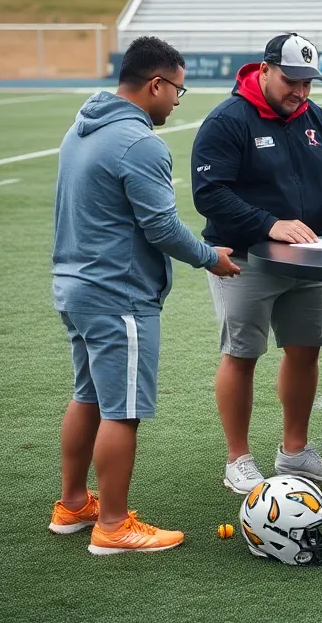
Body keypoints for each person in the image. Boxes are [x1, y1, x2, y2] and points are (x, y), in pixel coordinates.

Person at [49, 35, 241, 555]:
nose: (177, 103)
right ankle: (112, 525)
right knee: (123, 410)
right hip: (119, 295)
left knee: (87, 395)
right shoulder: (140, 143)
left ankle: (73, 504)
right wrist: (211, 258)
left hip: (75, 285)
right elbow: (162, 227)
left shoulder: (80, 127)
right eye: (178, 91)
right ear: (155, 85)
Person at [191, 32, 322, 494]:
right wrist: (269, 224)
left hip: (308, 259)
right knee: (242, 356)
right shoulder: (228, 120)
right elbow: (209, 194)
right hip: (244, 260)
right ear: (263, 70)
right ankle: (237, 459)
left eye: (308, 83)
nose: (300, 93)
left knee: (306, 350)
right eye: (291, 81)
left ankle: (294, 451)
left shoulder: (316, 117)